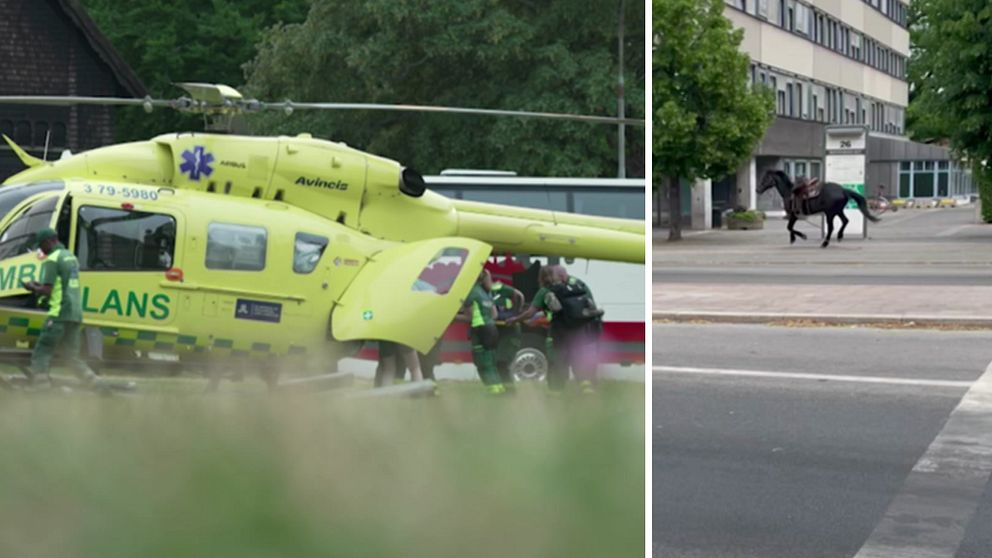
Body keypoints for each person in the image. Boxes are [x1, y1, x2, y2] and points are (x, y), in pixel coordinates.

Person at [21, 227, 98, 388]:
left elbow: (48, 291)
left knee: (42, 352)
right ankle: (98, 385)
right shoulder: (71, 257)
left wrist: (32, 287)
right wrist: (39, 285)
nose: (40, 250)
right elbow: (60, 284)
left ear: (49, 241)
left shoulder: (52, 259)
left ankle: (42, 391)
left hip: (59, 314)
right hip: (75, 314)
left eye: (41, 245)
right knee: (72, 357)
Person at [509, 265, 602, 394]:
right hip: (580, 331)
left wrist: (515, 319)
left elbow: (531, 312)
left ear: (541, 278)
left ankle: (556, 391)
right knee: (579, 360)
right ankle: (586, 388)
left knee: (557, 361)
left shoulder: (545, 291)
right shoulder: (575, 287)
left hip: (559, 332)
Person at [455, 271, 504, 394]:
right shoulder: (486, 293)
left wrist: (451, 318)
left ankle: (492, 390)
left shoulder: (471, 293)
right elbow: (495, 314)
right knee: (491, 362)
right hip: (492, 329)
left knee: (482, 362)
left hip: (479, 331)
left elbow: (469, 317)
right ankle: (499, 387)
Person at [489, 273, 525, 391]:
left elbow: (519, 295)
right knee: (498, 363)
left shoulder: (502, 289)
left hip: (509, 332)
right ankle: (505, 389)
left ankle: (510, 391)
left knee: (502, 362)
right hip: (499, 332)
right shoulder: (483, 293)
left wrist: (516, 312)